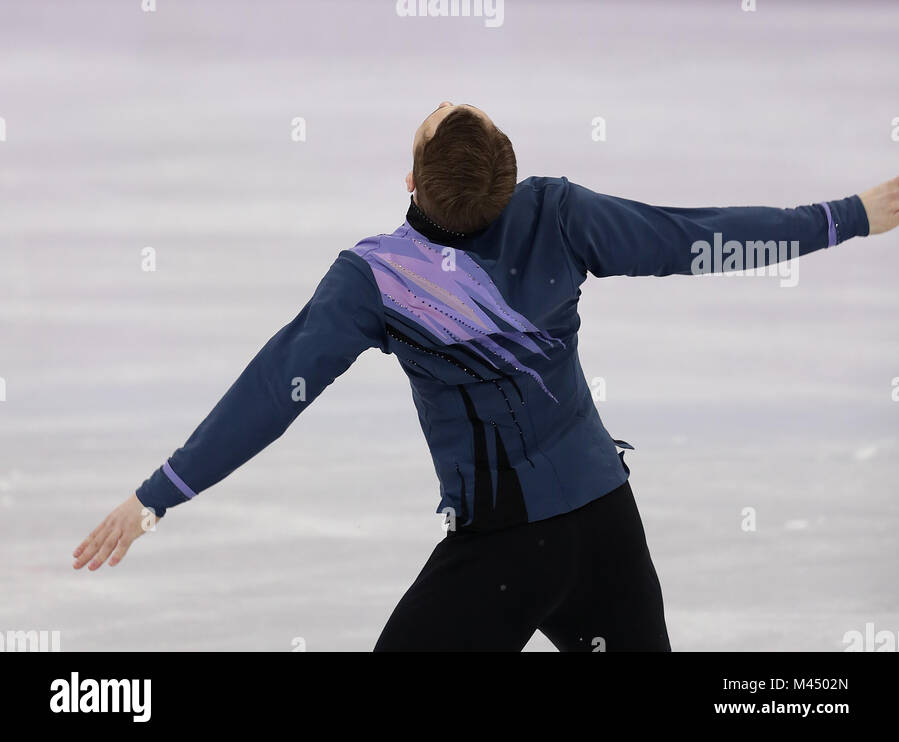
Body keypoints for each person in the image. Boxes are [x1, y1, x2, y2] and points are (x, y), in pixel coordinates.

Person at [73, 102, 898, 653]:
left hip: (511, 547)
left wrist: (159, 495)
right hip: (607, 523)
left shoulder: (376, 281)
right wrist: (847, 217)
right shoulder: (555, 213)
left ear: (409, 182)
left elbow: (271, 392)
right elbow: (697, 238)